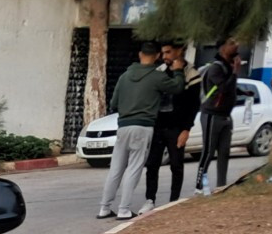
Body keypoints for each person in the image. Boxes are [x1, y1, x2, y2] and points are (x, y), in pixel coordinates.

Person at [98, 41, 185, 221]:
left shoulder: (124, 76)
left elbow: (113, 103)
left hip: (123, 126)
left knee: (116, 168)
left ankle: (104, 208)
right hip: (143, 126)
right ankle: (123, 209)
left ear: (140, 55)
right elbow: (177, 87)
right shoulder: (156, 77)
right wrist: (178, 70)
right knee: (134, 168)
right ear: (156, 56)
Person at [143, 41, 199, 209]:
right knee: (152, 164)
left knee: (176, 165)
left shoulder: (192, 73)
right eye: (163, 53)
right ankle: (149, 200)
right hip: (158, 126)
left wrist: (186, 129)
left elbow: (194, 105)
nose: (165, 56)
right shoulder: (159, 71)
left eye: (168, 52)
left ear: (179, 51)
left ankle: (173, 201)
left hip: (177, 127)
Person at [196, 37, 241, 194]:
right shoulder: (216, 68)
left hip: (226, 116)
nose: (236, 46)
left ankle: (221, 186)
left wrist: (242, 92)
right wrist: (235, 71)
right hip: (211, 115)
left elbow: (232, 87)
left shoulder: (228, 67)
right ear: (222, 48)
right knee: (208, 152)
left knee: (224, 152)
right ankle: (199, 187)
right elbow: (222, 88)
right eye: (231, 43)